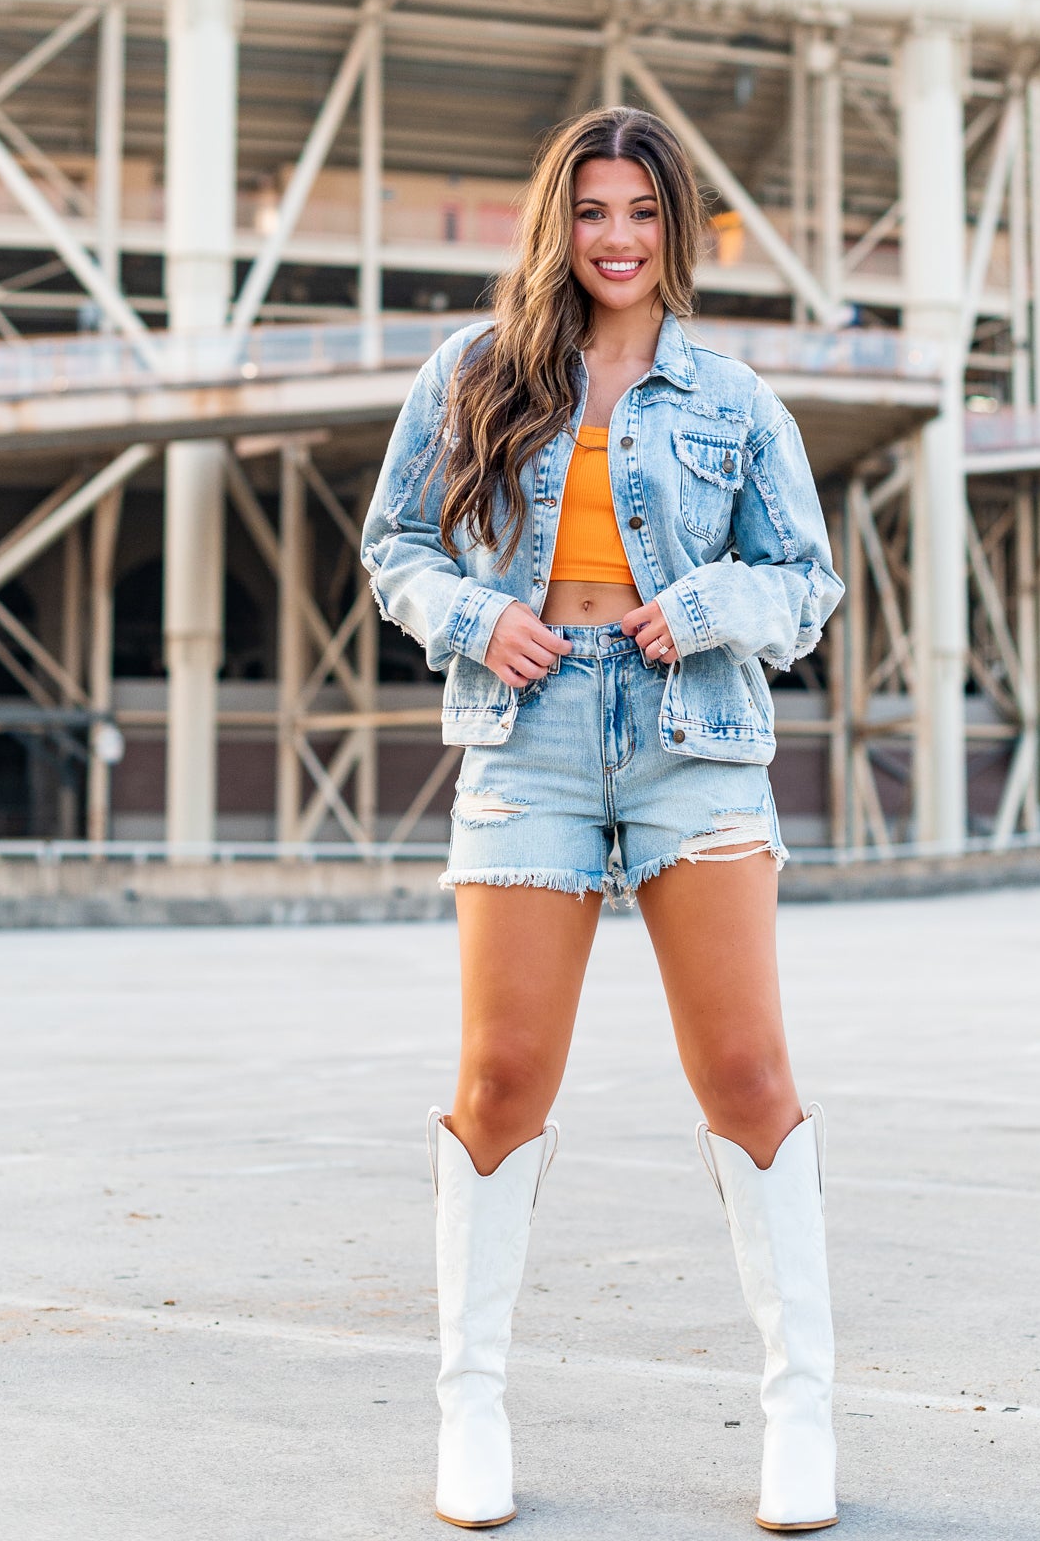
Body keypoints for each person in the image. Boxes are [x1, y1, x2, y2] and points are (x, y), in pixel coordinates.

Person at [361, 107, 845, 1532]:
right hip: (534, 738)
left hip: (694, 738)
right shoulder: (473, 373)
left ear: (675, 227)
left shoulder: (737, 399)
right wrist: (476, 612)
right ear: (556, 224)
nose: (618, 238)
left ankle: (801, 1413)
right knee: (503, 1078)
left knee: (749, 1076)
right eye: (593, 211)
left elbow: (803, 584)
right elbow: (397, 546)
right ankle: (471, 1405)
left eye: (642, 210)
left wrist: (699, 608)